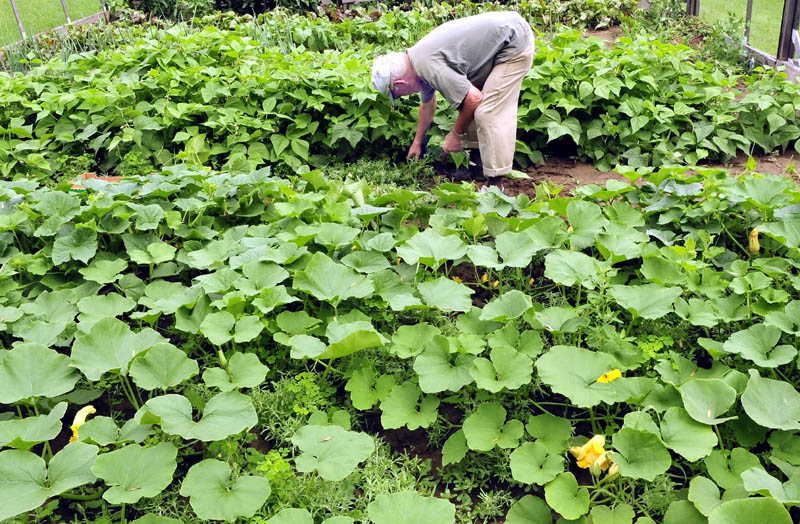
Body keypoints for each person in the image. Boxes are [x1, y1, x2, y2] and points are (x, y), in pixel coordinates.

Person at [371, 11, 535, 187]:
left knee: (487, 111)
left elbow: (473, 99)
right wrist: (417, 142)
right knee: (466, 101)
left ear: (400, 83)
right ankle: (478, 166)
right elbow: (427, 105)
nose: (401, 96)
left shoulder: (429, 67)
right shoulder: (416, 62)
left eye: (396, 93)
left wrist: (455, 135)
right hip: (500, 38)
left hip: (514, 43)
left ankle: (495, 187)